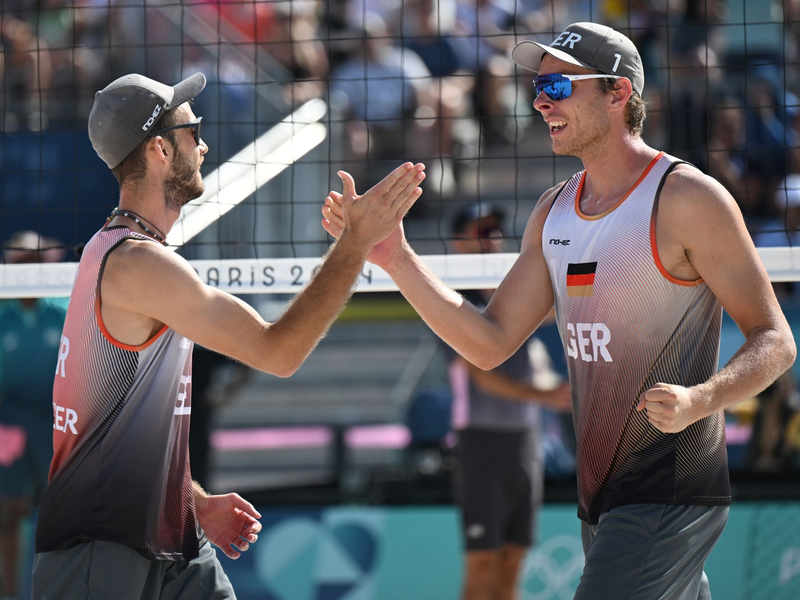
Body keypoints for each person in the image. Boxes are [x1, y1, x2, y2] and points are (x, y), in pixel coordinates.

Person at [322, 22, 796, 599]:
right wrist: (397, 259)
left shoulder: (687, 198)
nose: (541, 98)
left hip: (671, 483)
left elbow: (775, 338)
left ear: (619, 93)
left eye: (561, 85)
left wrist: (703, 399)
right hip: (600, 493)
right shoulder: (554, 211)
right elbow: (489, 341)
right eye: (539, 85)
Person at [31, 72, 426, 600]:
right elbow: (278, 351)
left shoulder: (119, 255)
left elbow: (126, 425)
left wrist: (188, 498)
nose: (204, 142)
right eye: (192, 130)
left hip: (168, 535)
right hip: (100, 540)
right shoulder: (137, 266)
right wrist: (355, 244)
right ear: (158, 149)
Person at [446, 203, 570, 600]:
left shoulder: (516, 288)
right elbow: (482, 378)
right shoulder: (450, 299)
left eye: (498, 232)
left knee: (513, 560)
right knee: (482, 564)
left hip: (525, 439)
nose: (494, 240)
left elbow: (565, 306)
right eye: (483, 232)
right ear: (457, 243)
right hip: (481, 441)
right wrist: (547, 396)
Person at [0, 232, 66, 600]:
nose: (30, 268)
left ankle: (53, 592)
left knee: (57, 520)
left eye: (36, 261)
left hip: (54, 424)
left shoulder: (62, 310)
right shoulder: (2, 314)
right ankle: (10, 594)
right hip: (7, 422)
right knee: (8, 514)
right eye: (22, 261)